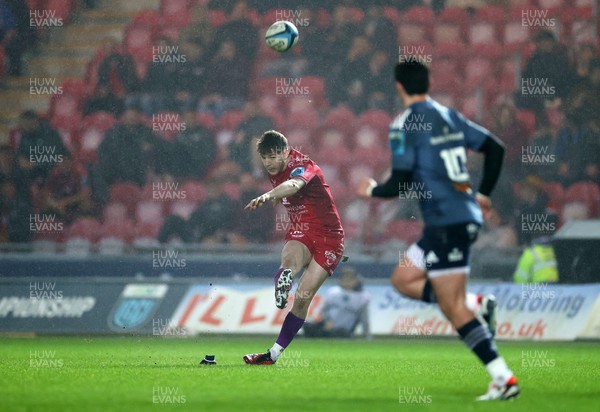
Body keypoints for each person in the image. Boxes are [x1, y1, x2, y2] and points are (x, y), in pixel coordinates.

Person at [356, 60, 520, 400]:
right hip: (451, 219)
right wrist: (484, 194)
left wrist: (371, 189)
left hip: (448, 221)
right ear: (426, 84)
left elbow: (398, 184)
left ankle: (502, 378)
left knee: (452, 308)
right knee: (403, 280)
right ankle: (476, 303)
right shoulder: (449, 115)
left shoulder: (402, 125)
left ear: (398, 87)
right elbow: (495, 148)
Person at [242, 130, 345, 365]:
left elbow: (293, 184)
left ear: (286, 152)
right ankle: (285, 277)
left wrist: (269, 195)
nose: (268, 163)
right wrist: (276, 196)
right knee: (289, 260)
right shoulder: (274, 169)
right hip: (302, 230)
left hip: (330, 238)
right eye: (264, 158)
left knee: (302, 298)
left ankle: (274, 353)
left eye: (273, 156)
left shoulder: (304, 165)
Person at [303, 267, 371, 339]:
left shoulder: (362, 298)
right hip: (328, 325)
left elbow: (364, 319)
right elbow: (324, 311)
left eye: (350, 278)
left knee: (340, 333)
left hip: (344, 330)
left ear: (356, 280)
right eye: (345, 277)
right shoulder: (333, 292)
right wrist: (326, 321)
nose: (347, 280)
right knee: (308, 326)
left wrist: (367, 336)